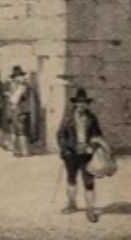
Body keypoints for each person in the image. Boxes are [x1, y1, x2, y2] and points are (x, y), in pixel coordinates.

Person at [56, 87, 105, 222]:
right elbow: (60, 135)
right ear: (75, 104)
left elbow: (98, 136)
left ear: (87, 104)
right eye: (79, 102)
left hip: (87, 155)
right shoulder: (68, 118)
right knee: (71, 179)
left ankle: (90, 209)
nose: (82, 105)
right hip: (71, 154)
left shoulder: (92, 118)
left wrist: (92, 147)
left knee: (89, 181)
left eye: (84, 102)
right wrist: (65, 149)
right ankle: (72, 204)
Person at [8, 66, 44, 156]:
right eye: (15, 77)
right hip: (20, 111)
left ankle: (24, 151)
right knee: (19, 131)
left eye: (17, 76)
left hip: (21, 111)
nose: (16, 79)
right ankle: (20, 150)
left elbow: (14, 99)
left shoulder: (22, 85)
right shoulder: (22, 85)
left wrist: (9, 96)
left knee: (21, 131)